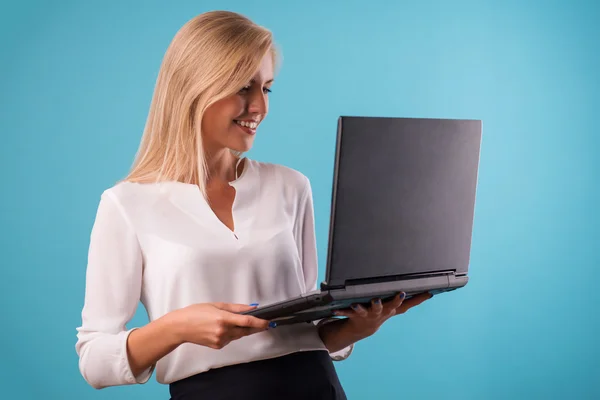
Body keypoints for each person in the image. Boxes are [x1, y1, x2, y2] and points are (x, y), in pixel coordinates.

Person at [75, 10, 433, 400]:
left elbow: (308, 330)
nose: (259, 107)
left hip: (315, 385)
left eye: (267, 88)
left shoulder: (290, 186)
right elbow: (94, 360)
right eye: (244, 87)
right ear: (196, 87)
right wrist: (177, 327)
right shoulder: (127, 204)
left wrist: (355, 328)